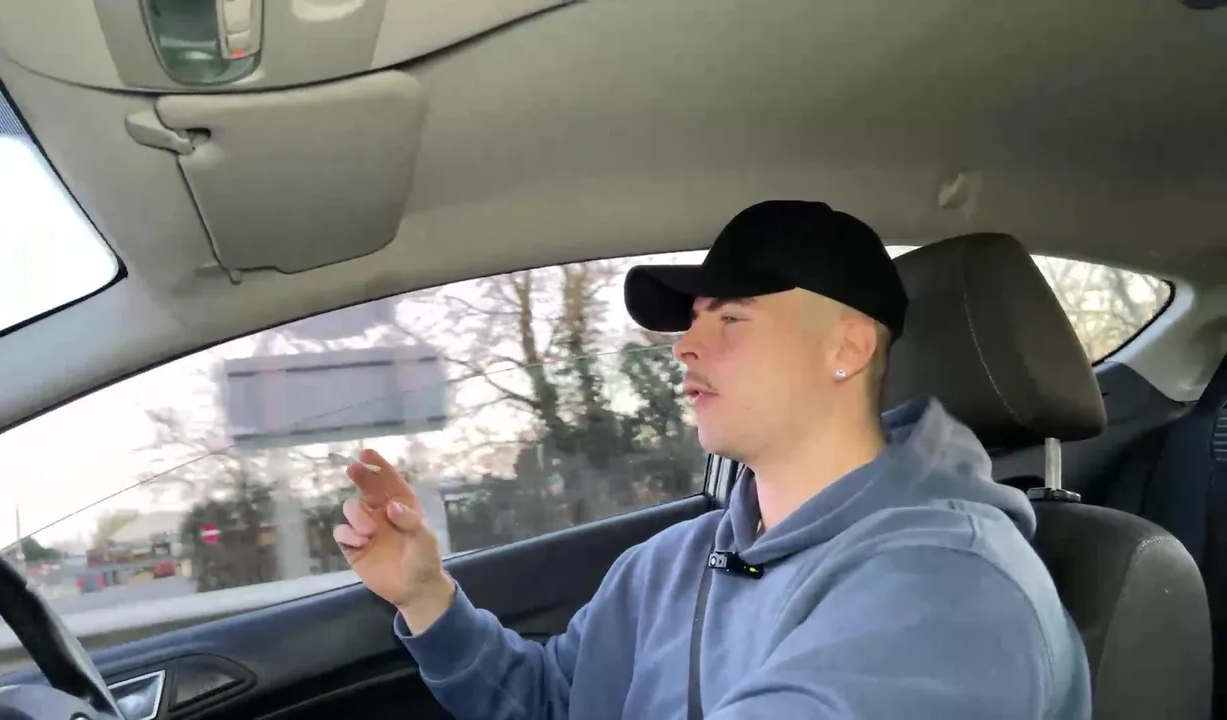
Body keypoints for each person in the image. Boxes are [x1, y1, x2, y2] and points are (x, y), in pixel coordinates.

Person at [332, 200, 1091, 719]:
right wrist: (426, 596)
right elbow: (556, 703)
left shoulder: (951, 587)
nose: (685, 347)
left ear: (848, 347)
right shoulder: (670, 565)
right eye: (693, 321)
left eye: (730, 318)